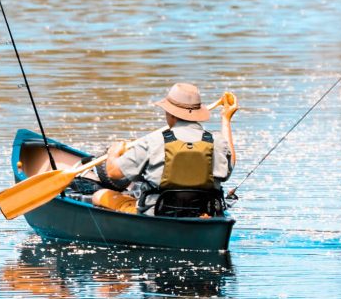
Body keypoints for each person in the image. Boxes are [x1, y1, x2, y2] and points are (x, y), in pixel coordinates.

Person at [92, 83, 238, 216]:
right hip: (204, 215)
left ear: (171, 113)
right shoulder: (216, 141)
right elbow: (230, 163)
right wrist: (226, 120)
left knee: (99, 195)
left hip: (156, 214)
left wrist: (114, 153)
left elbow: (113, 172)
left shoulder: (153, 140)